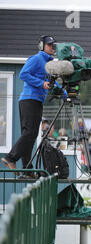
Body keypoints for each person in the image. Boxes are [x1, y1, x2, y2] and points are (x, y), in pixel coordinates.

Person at [2, 35, 56, 176]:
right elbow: (23, 74)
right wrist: (41, 84)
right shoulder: (37, 59)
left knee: (30, 135)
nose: (52, 47)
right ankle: (10, 158)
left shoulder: (49, 64)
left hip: (33, 101)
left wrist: (63, 93)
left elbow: (51, 82)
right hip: (30, 100)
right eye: (49, 45)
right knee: (30, 133)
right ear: (41, 46)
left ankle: (27, 169)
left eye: (53, 45)